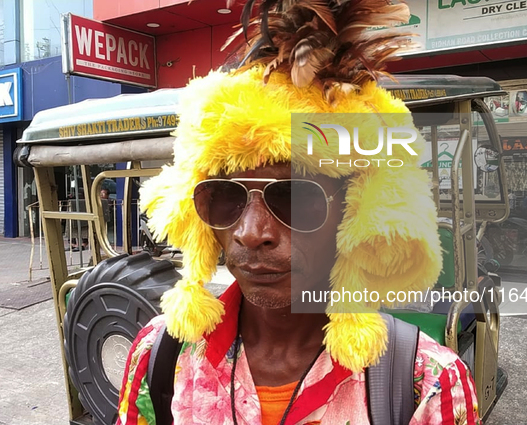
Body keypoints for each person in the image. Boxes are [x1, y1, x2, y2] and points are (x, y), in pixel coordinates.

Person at [116, 1, 480, 424]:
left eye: (294, 198)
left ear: (357, 212)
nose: (250, 233)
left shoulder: (426, 385)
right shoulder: (159, 356)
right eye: (225, 197)